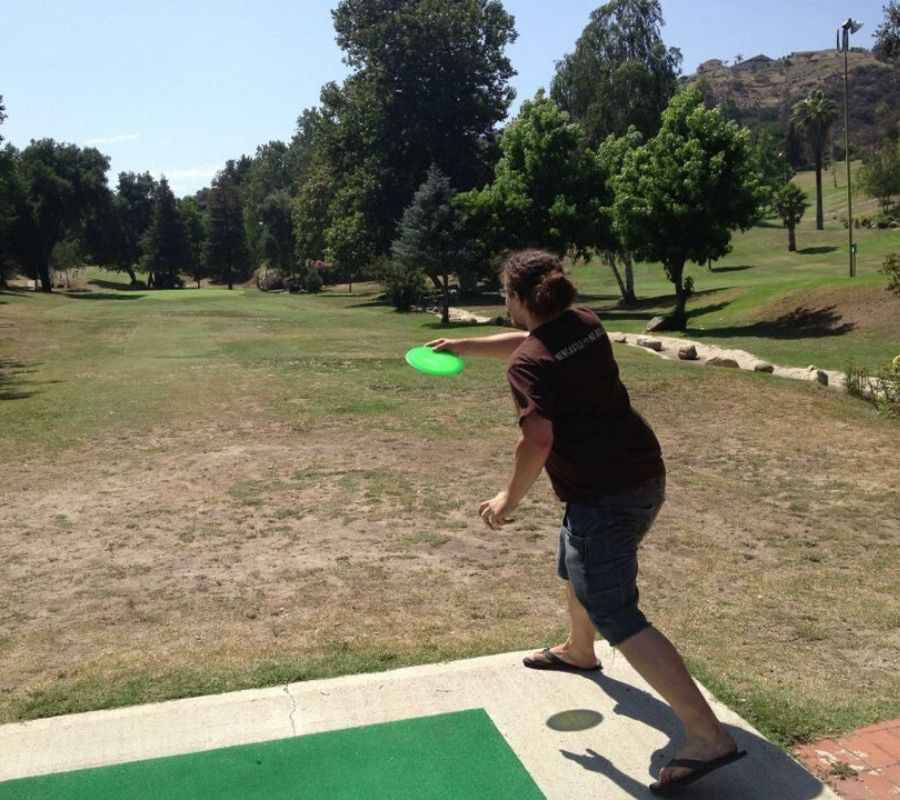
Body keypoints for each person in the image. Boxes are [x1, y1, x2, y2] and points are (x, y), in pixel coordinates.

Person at [428, 249, 746, 795]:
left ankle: (706, 734)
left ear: (518, 297)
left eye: (504, 293)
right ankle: (580, 650)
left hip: (606, 496)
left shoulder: (528, 365)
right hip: (641, 473)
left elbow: (537, 438)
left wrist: (507, 499)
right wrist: (463, 346)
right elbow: (531, 341)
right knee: (574, 561)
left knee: (615, 609)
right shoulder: (584, 323)